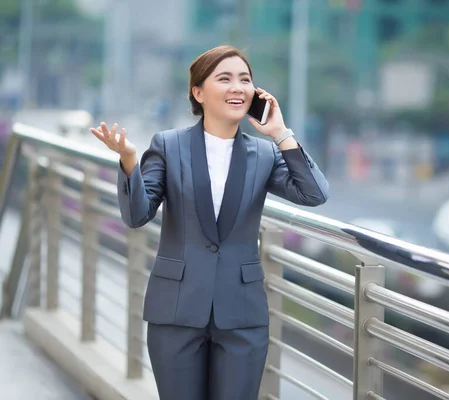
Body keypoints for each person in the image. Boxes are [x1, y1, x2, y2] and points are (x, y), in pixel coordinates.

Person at [90, 45, 329, 400]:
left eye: (245, 80)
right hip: (176, 311)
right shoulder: (169, 146)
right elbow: (137, 214)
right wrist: (128, 161)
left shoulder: (264, 154)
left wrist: (281, 133)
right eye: (225, 78)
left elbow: (314, 194)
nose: (238, 87)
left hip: (242, 315)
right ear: (198, 92)